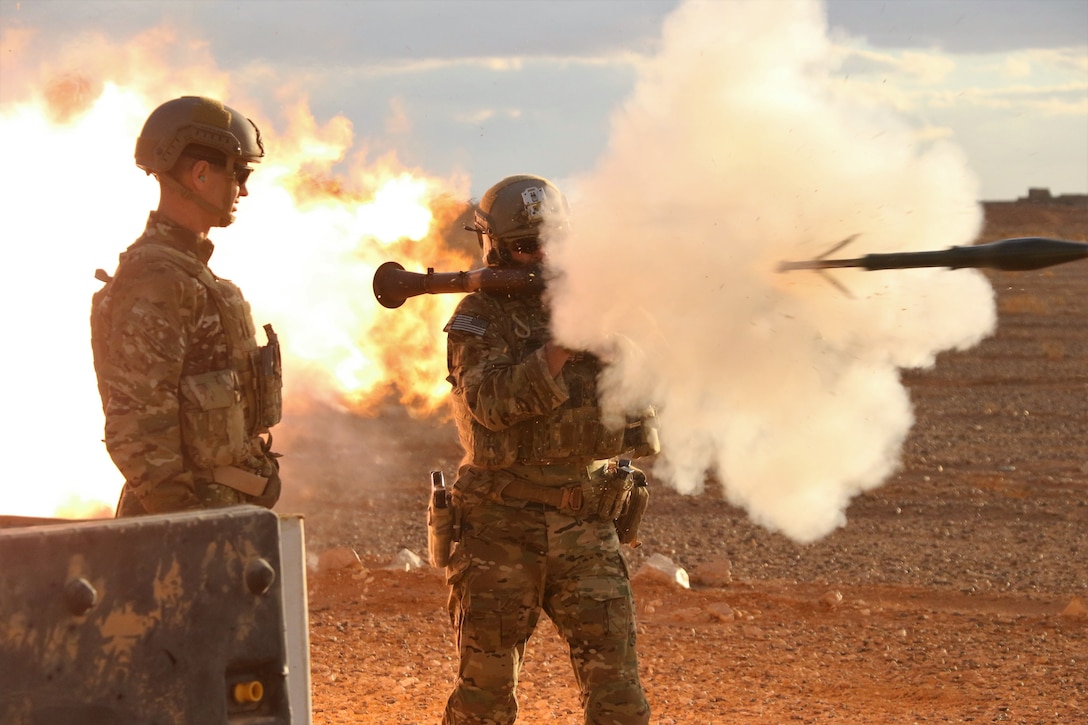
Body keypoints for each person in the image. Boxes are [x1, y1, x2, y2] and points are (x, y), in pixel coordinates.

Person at [441, 174, 659, 724]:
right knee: (484, 700)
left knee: (620, 700)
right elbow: (490, 403)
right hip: (499, 524)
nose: (540, 256)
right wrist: (559, 347)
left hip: (586, 523)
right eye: (524, 246)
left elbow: (644, 424)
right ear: (493, 245)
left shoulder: (600, 307)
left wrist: (620, 347)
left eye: (552, 243)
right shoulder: (478, 318)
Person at [91, 95, 283, 517]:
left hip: (213, 516)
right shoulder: (157, 281)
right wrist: (184, 530)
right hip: (183, 529)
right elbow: (136, 431)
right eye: (239, 173)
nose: (244, 189)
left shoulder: (186, 274)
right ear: (200, 174)